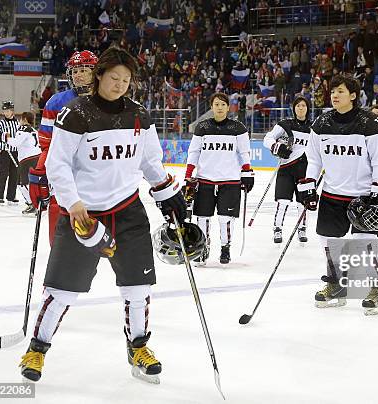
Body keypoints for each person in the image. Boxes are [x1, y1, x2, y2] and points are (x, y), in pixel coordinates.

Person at [18, 47, 188, 384]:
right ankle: (37, 349)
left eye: (126, 79)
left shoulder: (139, 115)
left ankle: (138, 346)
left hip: (127, 212)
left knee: (138, 287)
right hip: (85, 215)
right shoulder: (75, 113)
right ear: (99, 77)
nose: (120, 84)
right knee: (63, 290)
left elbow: (150, 162)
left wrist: (168, 195)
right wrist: (72, 202)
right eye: (114, 78)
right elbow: (58, 163)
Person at [298, 74, 378, 315]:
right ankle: (335, 285)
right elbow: (314, 158)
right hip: (332, 194)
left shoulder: (369, 122)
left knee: (365, 244)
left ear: (353, 95)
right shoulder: (321, 123)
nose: (335, 95)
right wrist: (309, 184)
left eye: (341, 91)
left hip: (363, 196)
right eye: (333, 91)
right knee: (329, 241)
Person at [29, 50, 98, 246]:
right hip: (66, 172)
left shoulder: (108, 99)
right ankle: (60, 249)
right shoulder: (56, 102)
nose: (77, 75)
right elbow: (47, 143)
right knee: (59, 213)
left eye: (83, 69)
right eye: (75, 71)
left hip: (99, 173)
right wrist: (41, 171)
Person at [184, 92, 253, 265]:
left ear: (228, 107)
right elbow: (194, 152)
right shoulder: (202, 127)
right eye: (216, 104)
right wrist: (188, 175)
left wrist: (247, 172)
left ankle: (225, 247)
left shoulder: (238, 128)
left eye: (223, 104)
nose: (220, 107)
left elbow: (244, 152)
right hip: (205, 180)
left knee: (225, 218)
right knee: (203, 217)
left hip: (229, 181)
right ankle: (203, 248)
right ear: (211, 106)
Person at [263, 96, 312, 244]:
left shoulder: (313, 128)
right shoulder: (285, 125)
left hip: (305, 169)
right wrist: (277, 147)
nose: (301, 108)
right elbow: (268, 138)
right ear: (294, 108)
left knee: (303, 202)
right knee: (282, 201)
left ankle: (302, 227)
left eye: (303, 105)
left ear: (307, 108)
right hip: (286, 168)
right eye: (298, 105)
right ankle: (277, 228)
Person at [6, 112, 41, 216]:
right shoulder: (34, 130)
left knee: (22, 183)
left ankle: (34, 204)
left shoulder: (23, 129)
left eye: (21, 119)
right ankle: (36, 203)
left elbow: (16, 143)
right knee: (32, 183)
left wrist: (6, 138)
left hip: (27, 159)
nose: (20, 120)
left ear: (25, 119)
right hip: (37, 157)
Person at [0, 100, 19, 205]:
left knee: (14, 175)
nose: (6, 112)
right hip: (4, 152)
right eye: (4, 111)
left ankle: (11, 197)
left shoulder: (17, 123)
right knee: (3, 174)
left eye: (8, 110)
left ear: (12, 111)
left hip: (15, 152)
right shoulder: (0, 123)